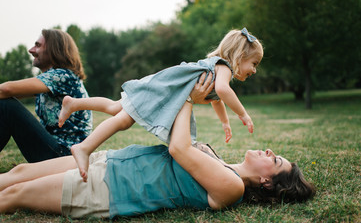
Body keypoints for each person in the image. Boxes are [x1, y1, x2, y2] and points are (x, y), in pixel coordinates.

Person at [0, 92, 316, 219]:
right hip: (111, 160)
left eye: (275, 161)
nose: (270, 152)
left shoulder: (232, 188)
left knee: (15, 194)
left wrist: (188, 98)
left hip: (108, 189)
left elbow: (179, 149)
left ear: (265, 182)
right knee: (16, 173)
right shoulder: (219, 162)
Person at [58, 27, 264, 181]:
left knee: (115, 107)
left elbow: (216, 100)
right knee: (122, 120)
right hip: (163, 92)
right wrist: (242, 114)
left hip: (162, 89)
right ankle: (84, 148)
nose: (254, 70)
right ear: (240, 55)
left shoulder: (218, 69)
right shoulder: (224, 67)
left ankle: (74, 103)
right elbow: (222, 91)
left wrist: (225, 122)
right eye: (254, 63)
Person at [0, 29, 92, 162]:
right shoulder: (50, 81)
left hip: (65, 155)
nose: (31, 50)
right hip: (58, 153)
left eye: (37, 45)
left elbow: (6, 90)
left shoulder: (63, 76)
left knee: (6, 106)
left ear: (54, 50)